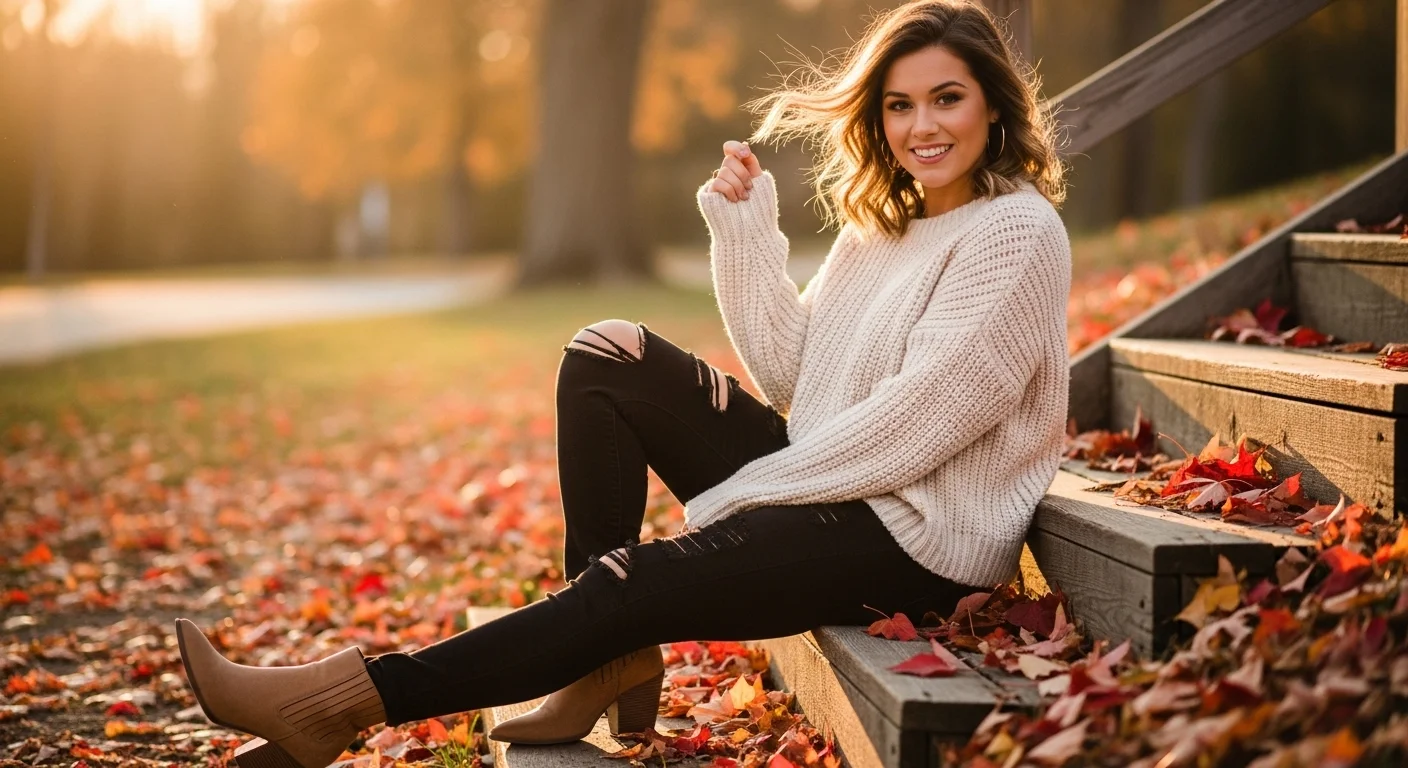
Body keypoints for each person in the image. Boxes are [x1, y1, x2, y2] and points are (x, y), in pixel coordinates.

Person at [172, 1, 1072, 765]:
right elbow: (803, 375)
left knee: (628, 580)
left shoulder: (1017, 236)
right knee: (605, 354)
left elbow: (919, 424)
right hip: (837, 477)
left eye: (947, 99)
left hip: (919, 541)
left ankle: (339, 703)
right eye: (900, 105)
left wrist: (748, 491)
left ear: (995, 104)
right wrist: (746, 236)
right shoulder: (883, 226)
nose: (923, 127)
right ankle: (601, 664)